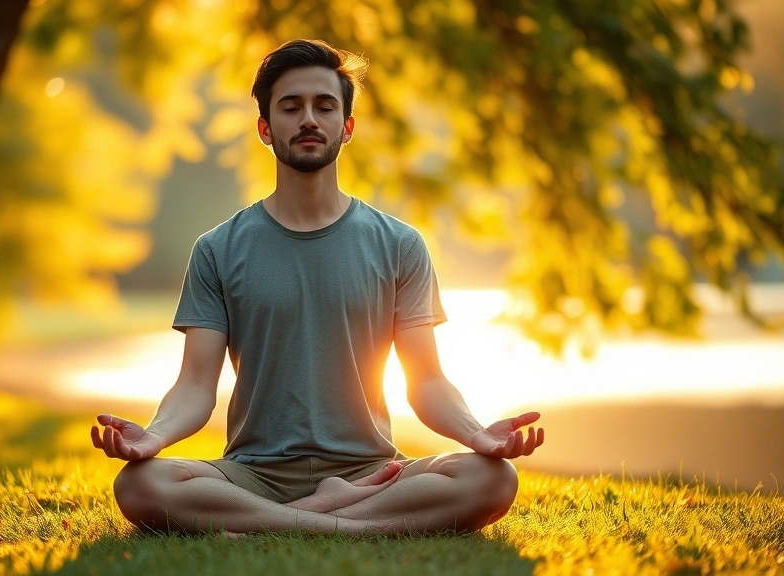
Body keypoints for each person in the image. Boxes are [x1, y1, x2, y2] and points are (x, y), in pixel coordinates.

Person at [91, 39, 544, 535]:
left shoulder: (399, 244)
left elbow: (427, 381)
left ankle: (280, 525)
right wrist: (152, 438)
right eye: (291, 107)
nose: (309, 118)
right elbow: (197, 384)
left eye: (324, 106)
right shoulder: (218, 249)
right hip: (252, 474)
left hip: (373, 472)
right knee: (139, 485)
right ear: (266, 128)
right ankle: (349, 524)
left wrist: (479, 434)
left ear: (346, 128)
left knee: (493, 478)